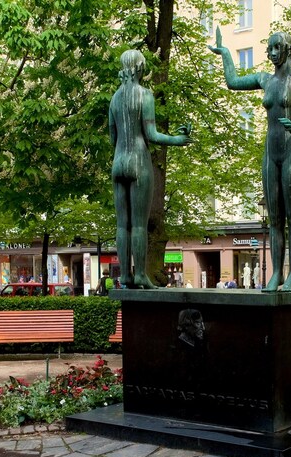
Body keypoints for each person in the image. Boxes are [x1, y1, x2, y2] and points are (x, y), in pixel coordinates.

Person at [210, 28, 291, 292]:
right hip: (271, 155)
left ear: (287, 49)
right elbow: (232, 82)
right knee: (275, 220)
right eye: (270, 49)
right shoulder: (265, 80)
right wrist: (225, 54)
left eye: (277, 48)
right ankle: (276, 273)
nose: (272, 53)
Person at [109, 49, 194, 289]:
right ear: (138, 68)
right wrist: (177, 140)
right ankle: (140, 275)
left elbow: (112, 136)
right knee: (138, 224)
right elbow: (152, 134)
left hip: (119, 162)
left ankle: (125, 275)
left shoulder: (114, 98)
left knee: (121, 224)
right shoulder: (144, 95)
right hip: (138, 161)